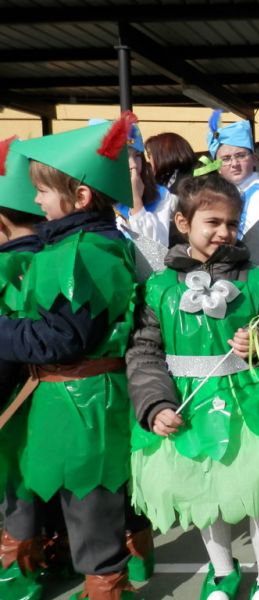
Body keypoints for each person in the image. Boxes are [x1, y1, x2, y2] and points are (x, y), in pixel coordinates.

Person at [127, 172, 259, 600]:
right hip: (189, 404)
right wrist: (155, 404)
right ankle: (223, 572)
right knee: (204, 488)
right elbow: (144, 353)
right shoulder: (158, 290)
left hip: (254, 401)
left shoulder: (258, 280)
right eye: (212, 222)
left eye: (232, 223)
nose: (224, 232)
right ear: (182, 223)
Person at [0, 115, 142, 599]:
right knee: (81, 503)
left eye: (43, 191)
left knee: (90, 505)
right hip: (73, 400)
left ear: (80, 197)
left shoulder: (84, 252)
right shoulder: (79, 245)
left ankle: (107, 588)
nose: (36, 201)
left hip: (85, 403)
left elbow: (62, 340)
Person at [0, 138, 47, 600]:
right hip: (61, 388)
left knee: (16, 485)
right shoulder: (57, 256)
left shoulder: (4, 267)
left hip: (11, 394)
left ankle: (19, 574)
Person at [207, 111, 259, 238]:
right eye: (226, 158)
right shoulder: (224, 195)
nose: (234, 164)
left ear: (254, 159)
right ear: (217, 166)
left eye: (240, 156)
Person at [142, 131, 196, 247]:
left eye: (150, 156)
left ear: (164, 154)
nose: (149, 161)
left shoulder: (189, 182)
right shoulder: (165, 180)